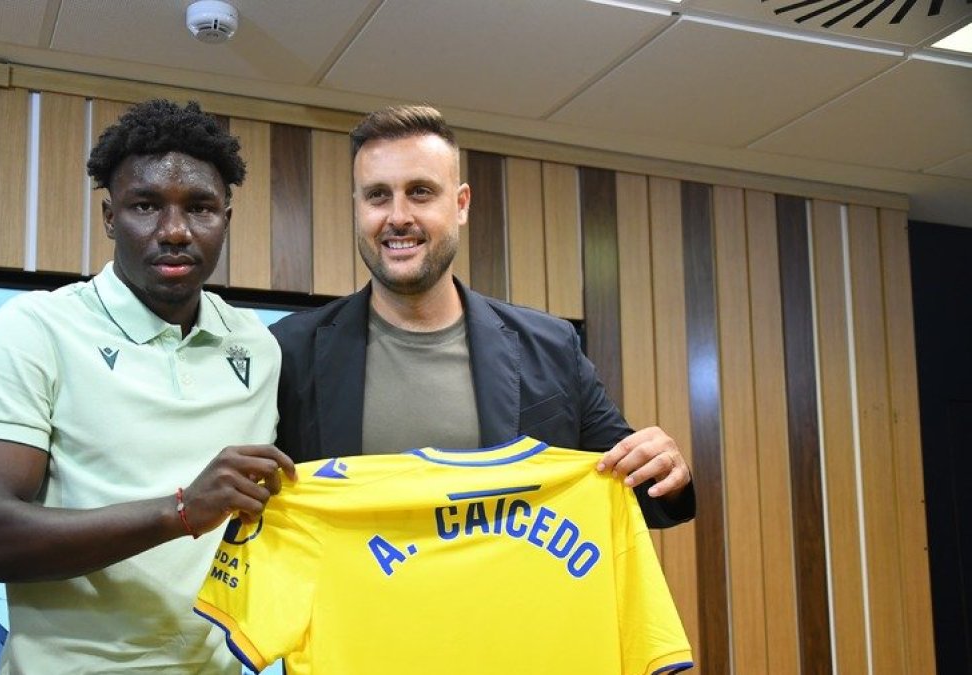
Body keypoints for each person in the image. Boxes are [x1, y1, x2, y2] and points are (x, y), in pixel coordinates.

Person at [0, 99, 295, 674]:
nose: (175, 231)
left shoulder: (257, 344)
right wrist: (180, 511)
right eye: (146, 205)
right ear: (110, 217)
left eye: (201, 208)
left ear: (226, 220)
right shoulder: (35, 329)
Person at [271, 104, 693, 527]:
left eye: (420, 192)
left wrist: (666, 470)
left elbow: (635, 490)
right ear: (358, 208)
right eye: (377, 195)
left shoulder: (552, 348)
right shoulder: (288, 351)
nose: (398, 217)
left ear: (461, 205)